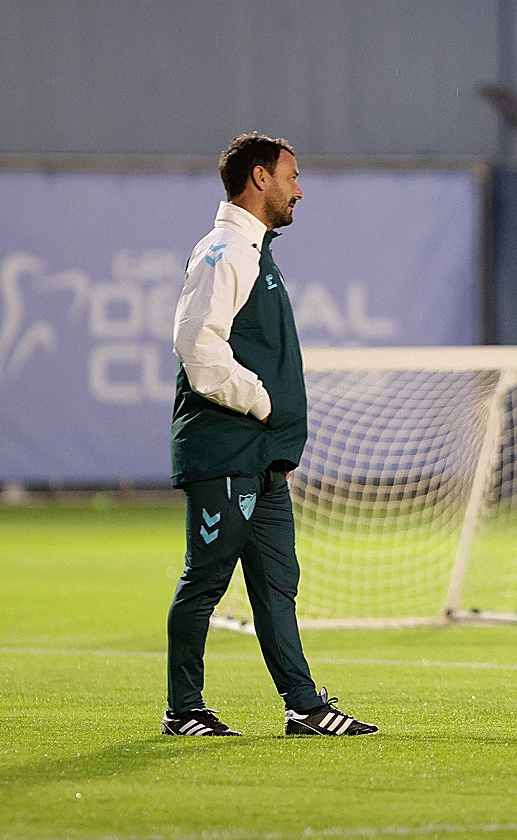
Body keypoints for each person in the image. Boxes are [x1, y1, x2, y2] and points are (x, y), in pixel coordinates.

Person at [161, 132, 378, 737]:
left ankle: (304, 707)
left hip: (261, 455)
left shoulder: (256, 249)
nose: (299, 190)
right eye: (292, 176)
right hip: (227, 448)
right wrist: (262, 402)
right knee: (205, 580)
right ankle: (184, 710)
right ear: (260, 178)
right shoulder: (225, 251)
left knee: (277, 585)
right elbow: (197, 347)